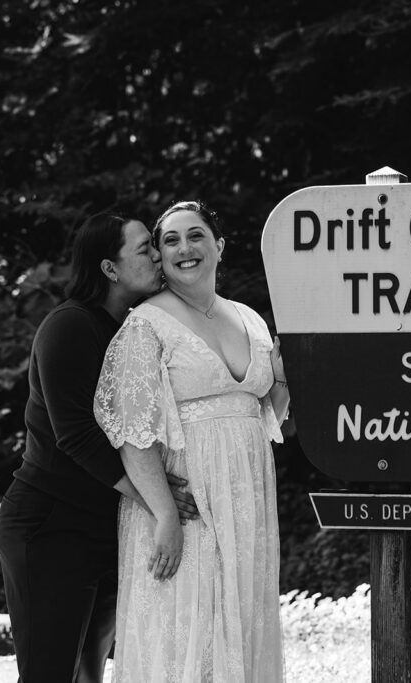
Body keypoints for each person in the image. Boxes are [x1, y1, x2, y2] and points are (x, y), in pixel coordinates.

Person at [94, 200, 291, 682]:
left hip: (246, 500)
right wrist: (163, 514)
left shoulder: (250, 319)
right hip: (186, 501)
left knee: (240, 614)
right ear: (160, 256)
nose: (185, 248)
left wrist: (283, 376)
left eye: (196, 235)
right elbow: (133, 434)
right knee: (187, 622)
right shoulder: (146, 323)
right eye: (171, 240)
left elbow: (268, 416)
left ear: (219, 246)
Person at [0, 212, 198, 683]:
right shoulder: (68, 326)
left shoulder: (131, 329)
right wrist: (156, 499)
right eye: (145, 248)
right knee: (49, 675)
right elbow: (77, 435)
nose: (159, 256)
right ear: (109, 268)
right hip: (50, 527)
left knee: (89, 674)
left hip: (103, 528)